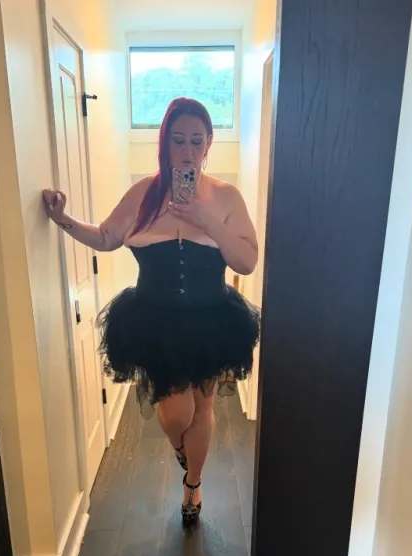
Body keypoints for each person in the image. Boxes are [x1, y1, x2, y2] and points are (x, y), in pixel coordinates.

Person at [42, 97, 260, 526]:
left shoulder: (225, 197)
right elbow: (106, 237)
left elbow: (247, 261)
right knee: (178, 413)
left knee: (203, 407)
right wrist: (61, 218)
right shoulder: (144, 193)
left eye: (196, 140)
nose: (187, 150)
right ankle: (182, 451)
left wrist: (208, 221)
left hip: (211, 319)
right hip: (155, 323)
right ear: (164, 143)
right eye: (178, 140)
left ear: (209, 143)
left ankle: (193, 484)